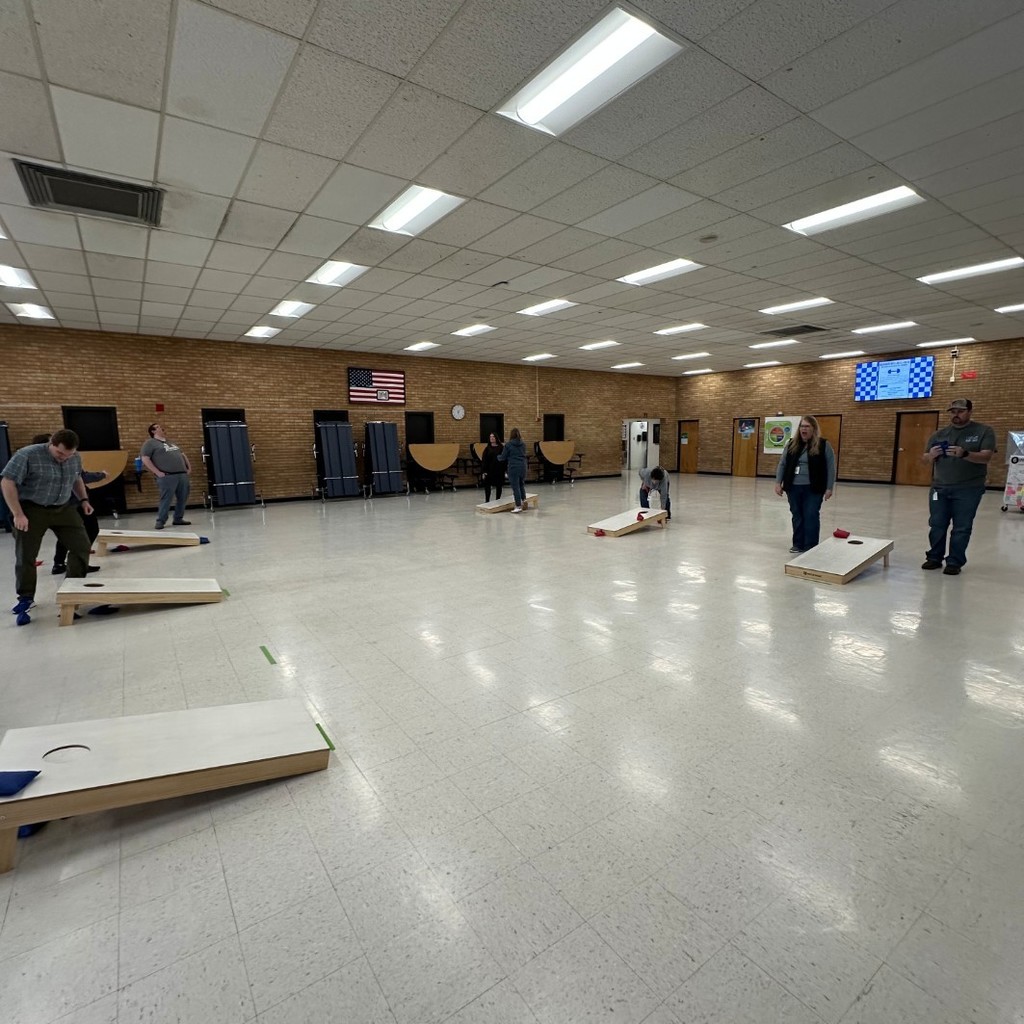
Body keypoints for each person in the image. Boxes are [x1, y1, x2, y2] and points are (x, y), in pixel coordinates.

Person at [1, 429, 100, 625]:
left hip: (63, 508)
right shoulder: (27, 455)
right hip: (31, 508)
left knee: (81, 546)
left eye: (69, 455)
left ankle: (73, 591)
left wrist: (84, 500)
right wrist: (18, 514)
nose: (64, 458)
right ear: (51, 444)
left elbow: (77, 478)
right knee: (26, 554)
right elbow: (7, 482)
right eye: (60, 454)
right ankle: (25, 598)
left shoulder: (74, 457)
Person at [921, 398, 995, 575]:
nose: (956, 415)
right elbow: (923, 460)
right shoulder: (939, 435)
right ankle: (934, 558)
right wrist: (930, 455)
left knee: (961, 527)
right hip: (939, 489)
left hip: (968, 489)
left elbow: (986, 457)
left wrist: (965, 454)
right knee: (937, 524)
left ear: (969, 411)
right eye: (953, 412)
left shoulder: (983, 431)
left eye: (960, 411)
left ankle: (954, 562)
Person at [774, 415, 836, 552]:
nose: (804, 429)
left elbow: (831, 467)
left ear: (813, 428)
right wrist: (778, 482)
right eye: (802, 426)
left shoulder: (823, 445)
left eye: (807, 426)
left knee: (811, 514)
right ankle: (798, 544)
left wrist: (829, 488)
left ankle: (811, 546)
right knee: (797, 515)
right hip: (793, 487)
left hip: (814, 488)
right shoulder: (791, 444)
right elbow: (782, 464)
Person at [141, 423, 192, 530]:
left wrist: (188, 467)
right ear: (153, 431)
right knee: (166, 499)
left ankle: (178, 519)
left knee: (183, 498)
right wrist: (157, 472)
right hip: (167, 476)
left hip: (181, 474)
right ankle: (160, 521)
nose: (162, 428)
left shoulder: (171, 443)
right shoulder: (150, 443)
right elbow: (145, 459)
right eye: (158, 427)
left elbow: (182, 455)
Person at [498, 428, 528, 512]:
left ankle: (518, 506)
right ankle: (524, 500)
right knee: (521, 484)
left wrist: (497, 457)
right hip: (523, 466)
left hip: (513, 467)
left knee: (515, 487)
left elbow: (503, 457)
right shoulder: (523, 444)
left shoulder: (508, 445)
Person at [480, 433, 505, 502]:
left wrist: (505, 470)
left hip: (498, 470)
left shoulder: (501, 447)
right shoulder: (487, 448)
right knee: (487, 486)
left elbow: (504, 459)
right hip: (489, 470)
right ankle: (487, 501)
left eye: (493, 436)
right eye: (490, 437)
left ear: (496, 438)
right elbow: (484, 460)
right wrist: (483, 471)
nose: (492, 438)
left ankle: (498, 500)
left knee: (499, 486)